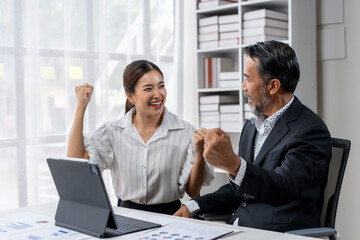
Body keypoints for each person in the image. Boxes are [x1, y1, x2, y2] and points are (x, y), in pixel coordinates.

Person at [174, 40, 332, 232]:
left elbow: (283, 188)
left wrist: (233, 164)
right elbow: (239, 189)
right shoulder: (251, 126)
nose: (243, 87)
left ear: (273, 86)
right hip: (241, 229)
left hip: (279, 233)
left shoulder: (310, 130)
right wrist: (193, 206)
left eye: (248, 79)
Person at [67, 60, 214, 215]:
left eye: (161, 86)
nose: (158, 94)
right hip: (127, 215)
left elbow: (192, 190)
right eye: (148, 88)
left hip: (171, 216)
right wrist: (81, 107)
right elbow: (76, 161)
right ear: (130, 96)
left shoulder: (185, 131)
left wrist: (199, 156)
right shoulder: (112, 131)